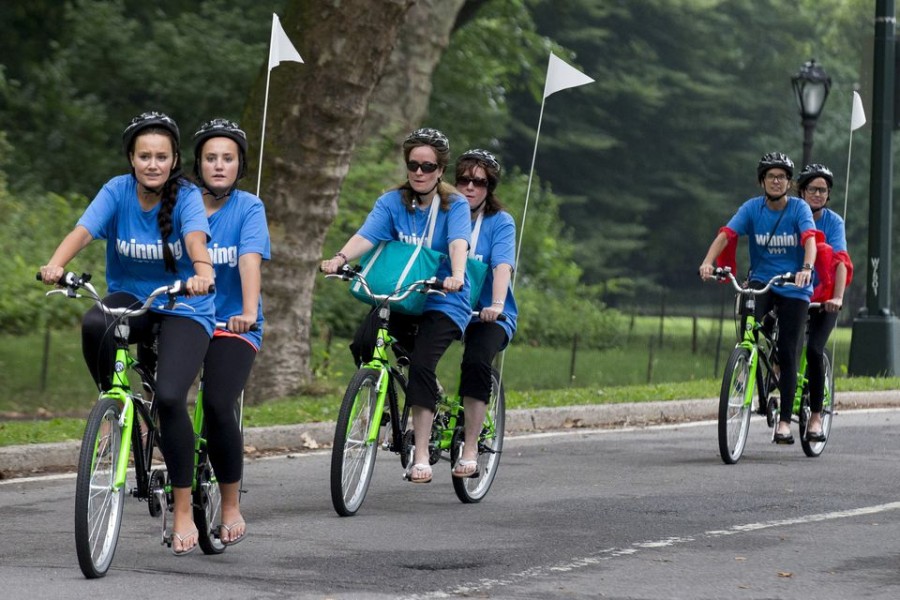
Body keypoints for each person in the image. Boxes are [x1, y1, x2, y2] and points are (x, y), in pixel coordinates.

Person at [39, 111, 215, 555]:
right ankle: (113, 408)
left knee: (171, 398)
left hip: (184, 305)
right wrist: (56, 264)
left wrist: (202, 271)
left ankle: (180, 509)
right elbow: (82, 231)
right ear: (132, 159)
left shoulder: (188, 197)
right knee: (96, 319)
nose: (152, 164)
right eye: (144, 156)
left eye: (161, 156)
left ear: (175, 160)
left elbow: (196, 240)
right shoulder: (116, 191)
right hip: (132, 302)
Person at [321, 127, 470, 484]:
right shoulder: (392, 202)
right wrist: (339, 258)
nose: (419, 172)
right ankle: (378, 397)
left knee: (421, 365)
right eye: (413, 164)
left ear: (440, 170)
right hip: (402, 294)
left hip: (442, 297)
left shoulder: (454, 205)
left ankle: (419, 454)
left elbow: (458, 243)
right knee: (363, 342)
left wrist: (458, 274)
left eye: (428, 166)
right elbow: (367, 235)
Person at [698, 152, 816, 445]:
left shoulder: (799, 209)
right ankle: (747, 360)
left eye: (781, 177)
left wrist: (805, 269)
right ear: (762, 181)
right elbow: (727, 234)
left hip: (793, 286)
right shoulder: (752, 208)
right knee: (749, 320)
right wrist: (708, 262)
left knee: (788, 352)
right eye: (770, 176)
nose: (776, 181)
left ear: (789, 183)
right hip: (762, 282)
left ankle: (785, 422)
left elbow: (810, 240)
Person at [192, 118, 271, 545]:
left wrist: (247, 311)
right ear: (198, 163)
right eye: (210, 158)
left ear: (240, 165)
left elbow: (249, 261)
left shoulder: (248, 207)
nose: (219, 166)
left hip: (232, 325)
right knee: (159, 392)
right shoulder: (182, 202)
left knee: (219, 402)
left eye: (228, 158)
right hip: (185, 317)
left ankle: (230, 504)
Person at [452, 149, 517, 477]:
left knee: (476, 361)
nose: (469, 187)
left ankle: (472, 446)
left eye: (478, 182)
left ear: (489, 188)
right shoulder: (446, 213)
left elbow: (502, 264)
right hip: (447, 305)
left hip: (486, 312)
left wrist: (496, 304)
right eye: (463, 180)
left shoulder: (500, 222)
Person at [796, 163, 853, 441]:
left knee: (815, 350)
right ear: (801, 191)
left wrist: (838, 297)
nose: (817, 194)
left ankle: (816, 417)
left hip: (824, 299)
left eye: (823, 190)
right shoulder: (791, 215)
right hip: (795, 295)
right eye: (812, 189)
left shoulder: (834, 222)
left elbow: (841, 262)